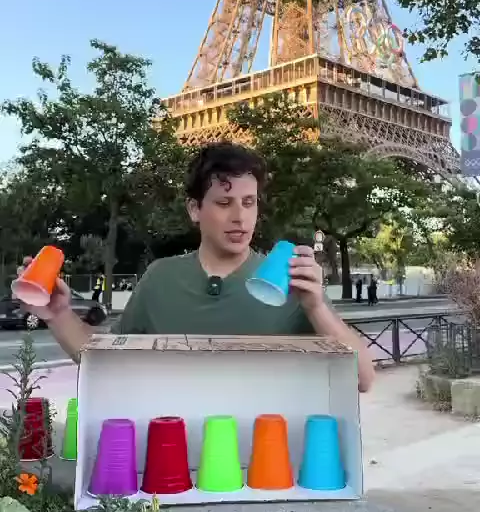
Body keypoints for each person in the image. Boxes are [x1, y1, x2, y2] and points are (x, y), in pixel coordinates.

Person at [16, 142, 374, 392]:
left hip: (270, 461)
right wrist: (58, 314)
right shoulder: (161, 278)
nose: (240, 217)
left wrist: (316, 306)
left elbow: (362, 379)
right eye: (224, 203)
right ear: (194, 209)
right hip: (171, 460)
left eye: (249, 202)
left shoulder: (292, 286)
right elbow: (103, 360)